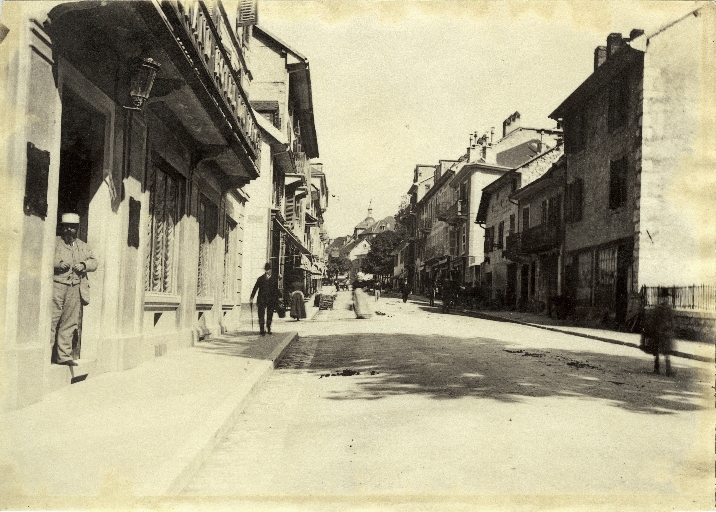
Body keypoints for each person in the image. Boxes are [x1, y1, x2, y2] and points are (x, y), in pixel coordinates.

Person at [51, 213, 98, 366]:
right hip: (57, 286)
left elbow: (94, 262)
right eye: (66, 227)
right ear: (62, 227)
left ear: (77, 229)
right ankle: (45, 354)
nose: (69, 230)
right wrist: (58, 263)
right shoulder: (54, 242)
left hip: (75, 288)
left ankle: (63, 357)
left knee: (70, 322)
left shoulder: (83, 245)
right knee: (52, 320)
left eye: (72, 227)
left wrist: (84, 265)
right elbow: (44, 256)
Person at [646, 288, 675, 375]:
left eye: (666, 297)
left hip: (662, 332)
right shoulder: (661, 309)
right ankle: (660, 368)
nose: (665, 299)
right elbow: (654, 320)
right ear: (662, 298)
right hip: (660, 332)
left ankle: (664, 369)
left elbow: (672, 321)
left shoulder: (666, 309)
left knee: (663, 350)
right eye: (664, 297)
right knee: (660, 350)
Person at [250, 263, 280, 336]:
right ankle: (262, 330)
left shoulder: (274, 279)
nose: (268, 271)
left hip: (271, 300)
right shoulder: (260, 278)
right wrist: (252, 297)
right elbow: (255, 288)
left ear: (271, 270)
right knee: (261, 315)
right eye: (267, 270)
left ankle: (268, 328)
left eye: (269, 270)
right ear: (265, 270)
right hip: (261, 299)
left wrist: (277, 299)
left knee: (270, 315)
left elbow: (276, 290)